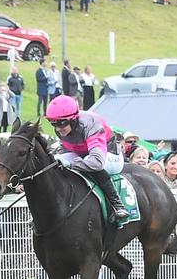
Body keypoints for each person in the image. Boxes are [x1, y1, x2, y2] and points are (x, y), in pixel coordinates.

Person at [44, 95, 129, 232]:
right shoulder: (63, 127)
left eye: (62, 123)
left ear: (73, 119)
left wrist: (71, 164)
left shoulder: (91, 124)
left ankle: (118, 205)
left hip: (109, 156)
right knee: (54, 165)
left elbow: (97, 162)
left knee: (93, 168)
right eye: (53, 123)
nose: (58, 128)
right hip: (83, 155)